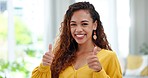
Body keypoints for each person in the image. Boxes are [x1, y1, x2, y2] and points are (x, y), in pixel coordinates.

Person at [31, 2, 122, 78]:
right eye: (73, 24)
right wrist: (44, 66)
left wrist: (99, 71)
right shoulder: (60, 56)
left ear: (95, 25)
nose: (78, 29)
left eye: (84, 24)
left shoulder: (109, 57)